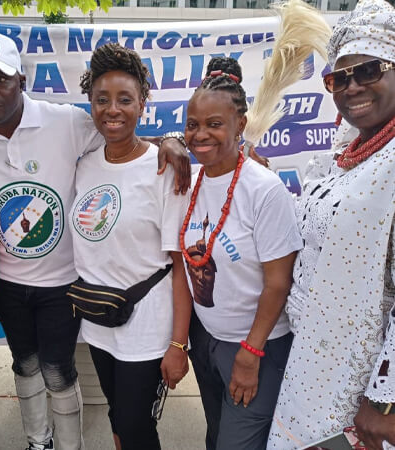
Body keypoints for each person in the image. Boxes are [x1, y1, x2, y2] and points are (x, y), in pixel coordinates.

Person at [0, 31, 191, 450]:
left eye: (0, 78)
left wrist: (174, 140)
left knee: (64, 375)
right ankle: (38, 442)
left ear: (21, 80)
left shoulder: (65, 122)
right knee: (26, 367)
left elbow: (124, 137)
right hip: (16, 285)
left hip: (67, 288)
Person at [268, 1, 395, 448]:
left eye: (369, 70)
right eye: (339, 78)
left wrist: (384, 401)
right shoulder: (347, 156)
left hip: (364, 392)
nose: (352, 86)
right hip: (314, 365)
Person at [71, 42, 192, 450]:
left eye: (125, 99)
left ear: (143, 103)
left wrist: (178, 344)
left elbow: (180, 265)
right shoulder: (85, 164)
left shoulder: (163, 168)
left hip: (147, 328)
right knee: (117, 416)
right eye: (101, 99)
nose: (113, 109)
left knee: (136, 426)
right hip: (98, 321)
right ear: (90, 104)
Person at [181, 57, 302, 450]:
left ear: (240, 125)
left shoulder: (264, 189)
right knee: (216, 434)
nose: (201, 134)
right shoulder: (189, 182)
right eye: (193, 125)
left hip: (257, 346)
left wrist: (250, 354)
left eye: (214, 124)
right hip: (208, 340)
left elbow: (278, 283)